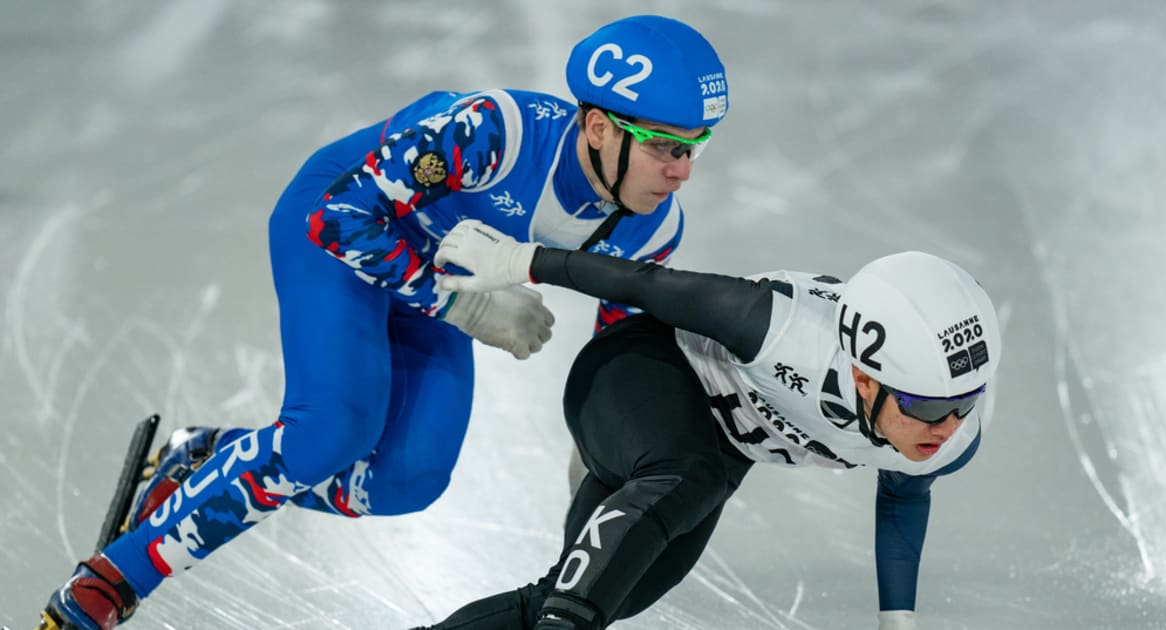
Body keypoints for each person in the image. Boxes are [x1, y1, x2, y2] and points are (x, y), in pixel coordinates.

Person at [38, 14, 730, 630]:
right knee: (328, 435)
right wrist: (463, 305)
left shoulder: (651, 231)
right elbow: (339, 217)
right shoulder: (495, 132)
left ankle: (208, 460)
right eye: (664, 147)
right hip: (340, 234)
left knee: (406, 482)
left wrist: (601, 471)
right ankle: (106, 585)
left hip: (432, 277)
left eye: (694, 147)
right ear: (601, 128)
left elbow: (619, 361)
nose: (682, 172)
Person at [413, 220, 1004, 630]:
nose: (947, 426)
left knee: (602, 594)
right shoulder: (783, 328)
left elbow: (903, 500)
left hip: (711, 452)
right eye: (926, 407)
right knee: (682, 480)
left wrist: (896, 622)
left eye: (967, 402)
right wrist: (519, 261)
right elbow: (643, 284)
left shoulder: (944, 433)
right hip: (636, 372)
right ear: (866, 376)